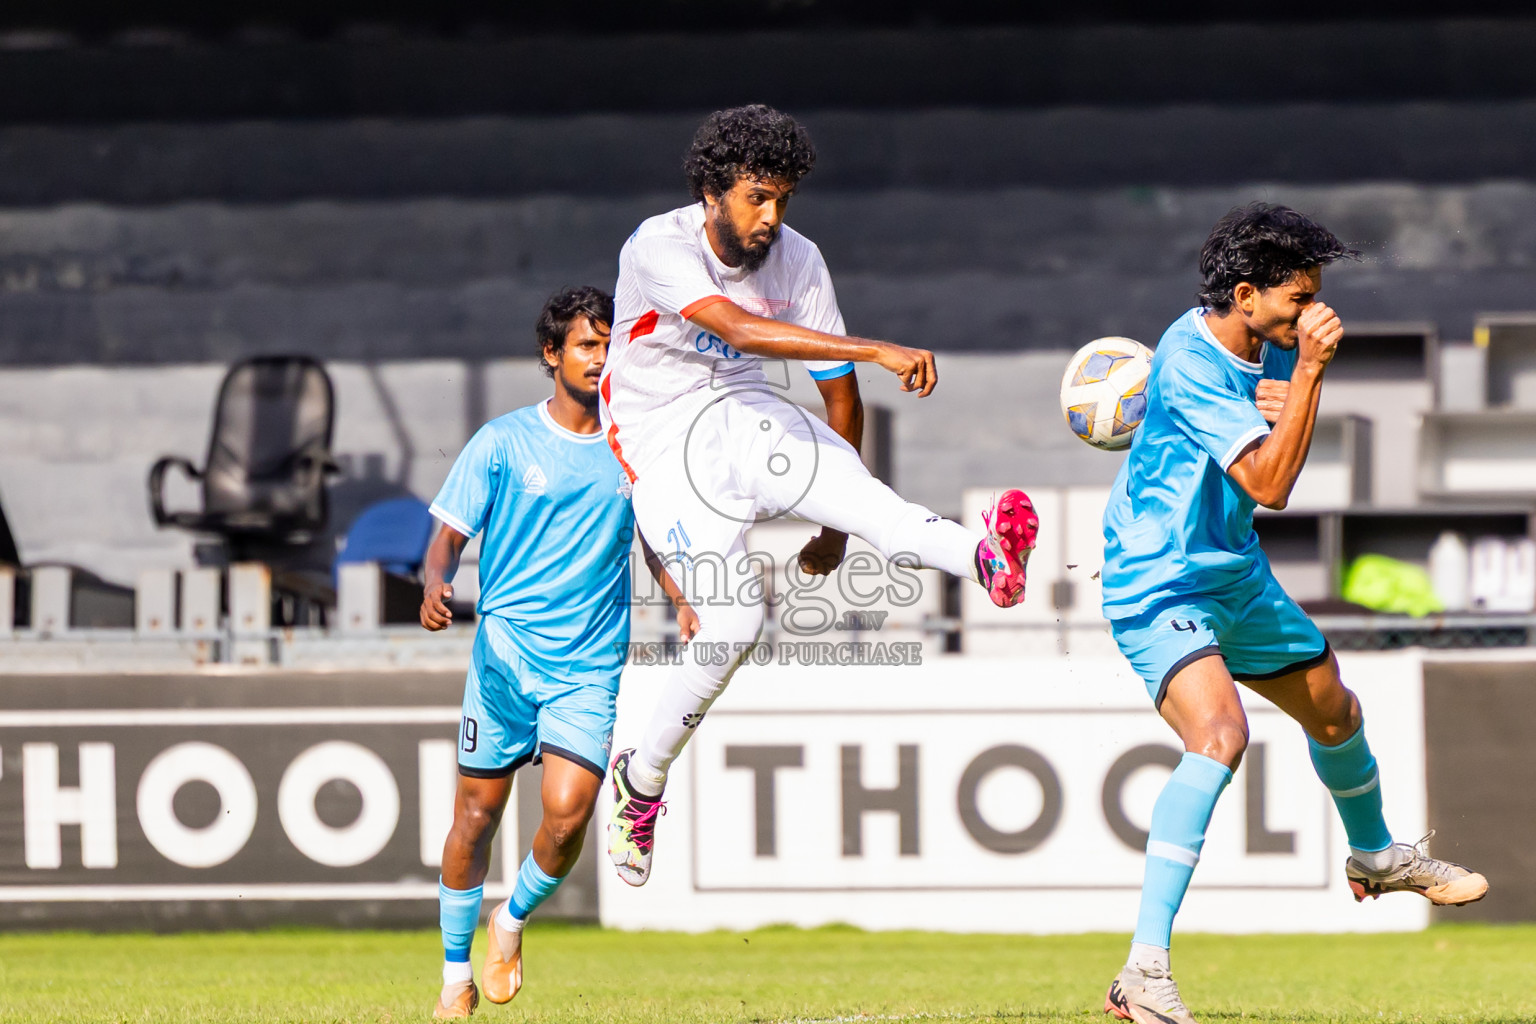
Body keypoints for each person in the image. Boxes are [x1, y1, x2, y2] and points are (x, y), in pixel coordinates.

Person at [598, 103, 1040, 887]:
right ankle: (644, 779)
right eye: (755, 198)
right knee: (735, 620)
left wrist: (838, 520)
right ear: (712, 193)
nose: (771, 218)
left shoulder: (799, 258)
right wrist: (874, 345)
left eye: (783, 200)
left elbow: (841, 396)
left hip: (745, 409)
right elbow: (736, 328)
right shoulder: (657, 243)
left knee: (881, 513)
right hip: (659, 438)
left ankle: (986, 558)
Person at [1098, 203, 1487, 1024]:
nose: (1311, 312)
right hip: (1159, 579)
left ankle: (1377, 856)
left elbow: (1258, 446)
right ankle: (1142, 970)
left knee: (1336, 711)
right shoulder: (1191, 360)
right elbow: (1272, 487)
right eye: (1297, 299)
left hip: (1233, 575)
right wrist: (1309, 373)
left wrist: (1283, 388)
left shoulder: (1240, 348)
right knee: (1220, 737)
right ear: (1246, 294)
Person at [421, 286, 697, 1018]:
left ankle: (509, 923)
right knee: (474, 819)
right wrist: (434, 583)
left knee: (570, 815)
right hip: (503, 663)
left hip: (587, 664)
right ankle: (455, 976)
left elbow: (653, 533)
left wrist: (680, 594)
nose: (600, 357)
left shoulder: (630, 447)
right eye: (586, 344)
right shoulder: (503, 441)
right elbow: (448, 535)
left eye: (610, 345)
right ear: (552, 354)